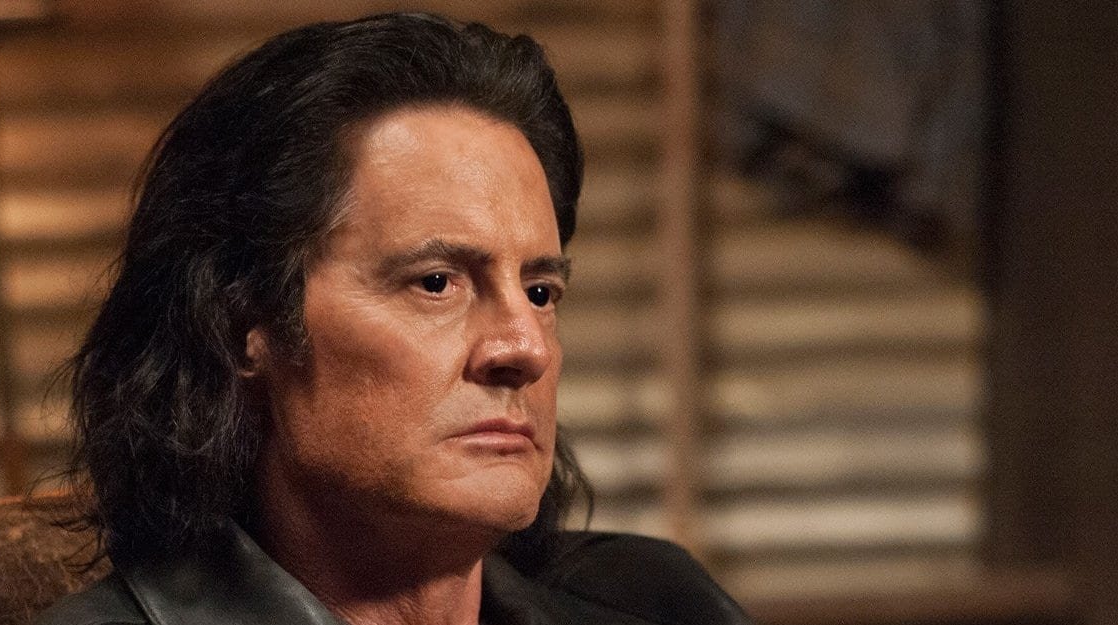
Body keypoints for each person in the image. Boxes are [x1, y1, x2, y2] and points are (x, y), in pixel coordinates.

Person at [37, 12, 751, 625]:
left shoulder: (659, 601)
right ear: (240, 324)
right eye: (436, 283)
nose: (525, 347)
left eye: (540, 291)